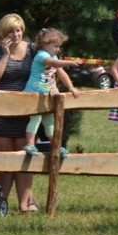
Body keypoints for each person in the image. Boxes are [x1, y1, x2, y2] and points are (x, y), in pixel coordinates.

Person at [0, 13, 40, 213]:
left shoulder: (33, 50)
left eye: (18, 30)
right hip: (3, 112)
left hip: (27, 112)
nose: (16, 34)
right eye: (11, 31)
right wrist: (6, 54)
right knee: (6, 160)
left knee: (25, 159)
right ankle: (2, 201)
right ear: (4, 33)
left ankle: (25, 203)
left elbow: (46, 72)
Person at [22, 28, 80, 157]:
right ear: (44, 44)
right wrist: (69, 62)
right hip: (35, 93)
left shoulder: (53, 56)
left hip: (46, 95)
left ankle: (56, 146)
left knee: (50, 123)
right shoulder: (42, 55)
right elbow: (53, 63)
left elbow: (61, 73)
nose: (58, 49)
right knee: (35, 119)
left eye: (59, 46)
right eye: (55, 46)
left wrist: (71, 87)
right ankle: (30, 144)